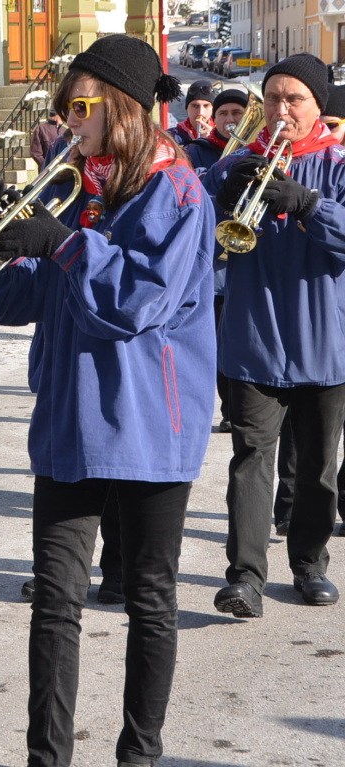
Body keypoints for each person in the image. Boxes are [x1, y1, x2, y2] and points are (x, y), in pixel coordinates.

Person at [0, 35, 215, 767]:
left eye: (81, 106)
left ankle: (139, 752)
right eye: (64, 108)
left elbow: (137, 302)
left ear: (124, 108)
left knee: (148, 600)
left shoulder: (178, 191)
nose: (68, 121)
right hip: (71, 420)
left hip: (149, 424)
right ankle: (47, 757)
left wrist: (63, 244)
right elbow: (26, 300)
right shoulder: (72, 184)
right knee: (55, 601)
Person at [204, 53, 345, 618]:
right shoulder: (238, 161)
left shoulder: (337, 164)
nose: (282, 110)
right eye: (275, 98)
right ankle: (245, 578)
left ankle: (309, 563)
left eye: (296, 99)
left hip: (324, 342)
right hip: (254, 336)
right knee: (251, 459)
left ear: (318, 106)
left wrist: (309, 205)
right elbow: (200, 233)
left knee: (317, 465)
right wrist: (221, 186)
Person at [185, 87, 250, 435]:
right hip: (212, 267)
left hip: (246, 264)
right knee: (212, 342)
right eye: (223, 114)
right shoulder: (197, 152)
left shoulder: (258, 154)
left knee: (239, 341)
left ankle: (239, 407)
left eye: (237, 113)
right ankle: (223, 407)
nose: (229, 120)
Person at [169, 79, 216, 146]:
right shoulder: (172, 136)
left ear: (213, 109)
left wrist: (214, 139)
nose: (200, 112)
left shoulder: (222, 133)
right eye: (195, 106)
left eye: (206, 106)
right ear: (187, 108)